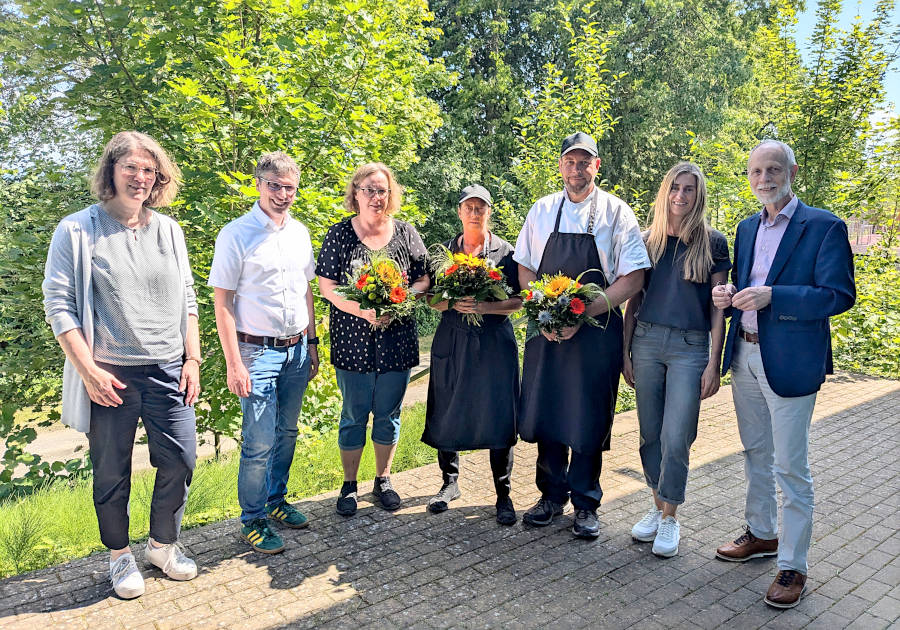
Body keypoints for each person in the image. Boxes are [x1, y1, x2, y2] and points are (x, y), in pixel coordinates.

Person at [42, 131, 199, 598]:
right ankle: (118, 557)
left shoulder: (169, 229)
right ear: (110, 171)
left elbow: (188, 297)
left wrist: (192, 357)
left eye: (149, 170)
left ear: (159, 178)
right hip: (109, 372)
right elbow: (59, 304)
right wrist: (87, 369)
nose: (140, 177)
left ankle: (162, 545)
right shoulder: (77, 229)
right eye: (130, 167)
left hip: (169, 367)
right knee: (112, 470)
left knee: (181, 459)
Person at [712, 140, 855, 608]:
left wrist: (776, 296)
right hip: (745, 356)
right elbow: (750, 282)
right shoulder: (747, 226)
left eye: (773, 169)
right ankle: (762, 534)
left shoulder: (825, 226)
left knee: (791, 467)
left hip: (791, 362)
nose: (764, 179)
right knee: (756, 452)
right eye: (755, 171)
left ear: (792, 171)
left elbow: (837, 296)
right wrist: (730, 293)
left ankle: (793, 566)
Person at [514, 132, 650, 538]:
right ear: (561, 165)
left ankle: (586, 504)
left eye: (584, 161)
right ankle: (551, 497)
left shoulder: (617, 213)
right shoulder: (541, 210)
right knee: (549, 410)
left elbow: (633, 279)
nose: (577, 168)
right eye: (570, 161)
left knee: (589, 415)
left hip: (597, 332)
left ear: (597, 165)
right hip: (548, 332)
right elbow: (524, 267)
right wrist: (548, 313)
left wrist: (581, 312)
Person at [209, 151, 319, 555]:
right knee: (258, 441)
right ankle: (251, 519)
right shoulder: (236, 234)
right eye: (274, 185)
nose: (282, 194)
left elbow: (307, 290)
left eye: (289, 187)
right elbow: (223, 303)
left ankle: (276, 502)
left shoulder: (300, 233)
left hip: (295, 351)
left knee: (286, 433)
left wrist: (312, 342)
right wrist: (233, 362)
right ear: (258, 184)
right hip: (255, 354)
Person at [622, 162, 730, 557]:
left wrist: (713, 363)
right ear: (665, 192)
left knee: (676, 435)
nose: (680, 196)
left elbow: (719, 308)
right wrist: (626, 353)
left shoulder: (713, 243)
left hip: (690, 346)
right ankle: (655, 508)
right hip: (647, 342)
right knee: (650, 433)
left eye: (689, 189)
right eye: (674, 188)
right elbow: (633, 301)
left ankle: (671, 517)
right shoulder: (647, 240)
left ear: (698, 195)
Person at [317, 163, 429, 516]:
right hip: (353, 339)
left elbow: (425, 280)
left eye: (382, 190)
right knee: (353, 415)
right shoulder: (339, 235)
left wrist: (401, 300)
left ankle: (383, 480)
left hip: (397, 339)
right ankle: (349, 485)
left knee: (388, 415)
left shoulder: (407, 233)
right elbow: (327, 287)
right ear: (355, 194)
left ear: (390, 195)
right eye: (369, 189)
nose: (376, 197)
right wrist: (361, 310)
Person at [422, 185, 522, 525]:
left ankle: (503, 493)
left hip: (493, 342)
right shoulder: (446, 251)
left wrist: (484, 306)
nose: (475, 212)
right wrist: (452, 303)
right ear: (460, 211)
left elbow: (520, 300)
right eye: (469, 207)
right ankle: (449, 483)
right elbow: (430, 299)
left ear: (489, 211)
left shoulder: (507, 252)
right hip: (452, 339)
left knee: (498, 413)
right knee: (447, 408)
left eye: (481, 207)